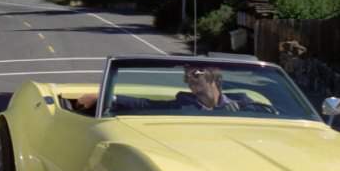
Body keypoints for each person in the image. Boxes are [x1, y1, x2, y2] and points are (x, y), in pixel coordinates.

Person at [76, 66, 246, 112]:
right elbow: (146, 104)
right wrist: (105, 96)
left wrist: (239, 111)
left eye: (196, 73)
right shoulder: (183, 103)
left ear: (214, 77)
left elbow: (269, 114)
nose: (188, 79)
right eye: (186, 76)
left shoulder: (244, 102)